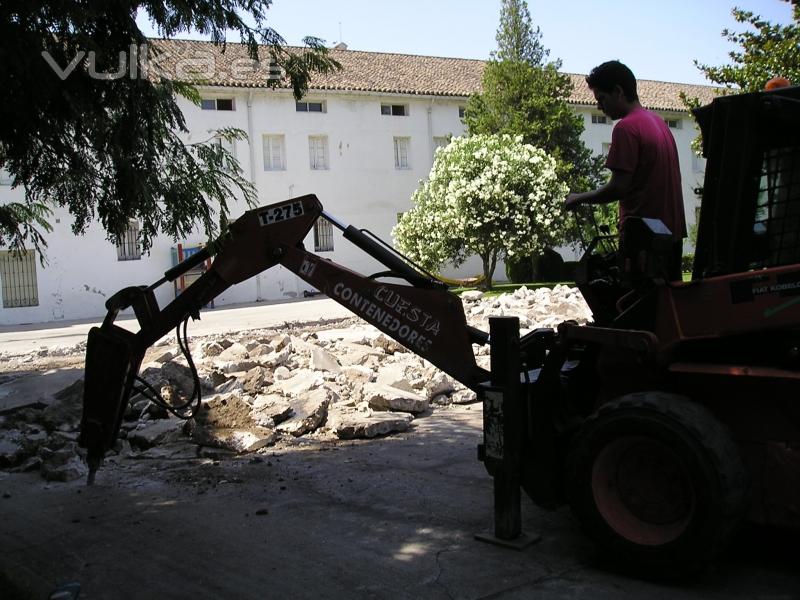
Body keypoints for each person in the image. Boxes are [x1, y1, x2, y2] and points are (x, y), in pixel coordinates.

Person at [565, 60, 686, 280]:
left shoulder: (626, 128)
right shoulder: (659, 124)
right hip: (671, 237)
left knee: (632, 310)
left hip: (643, 241)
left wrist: (578, 198)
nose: (600, 106)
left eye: (601, 98)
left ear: (618, 91)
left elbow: (618, 188)